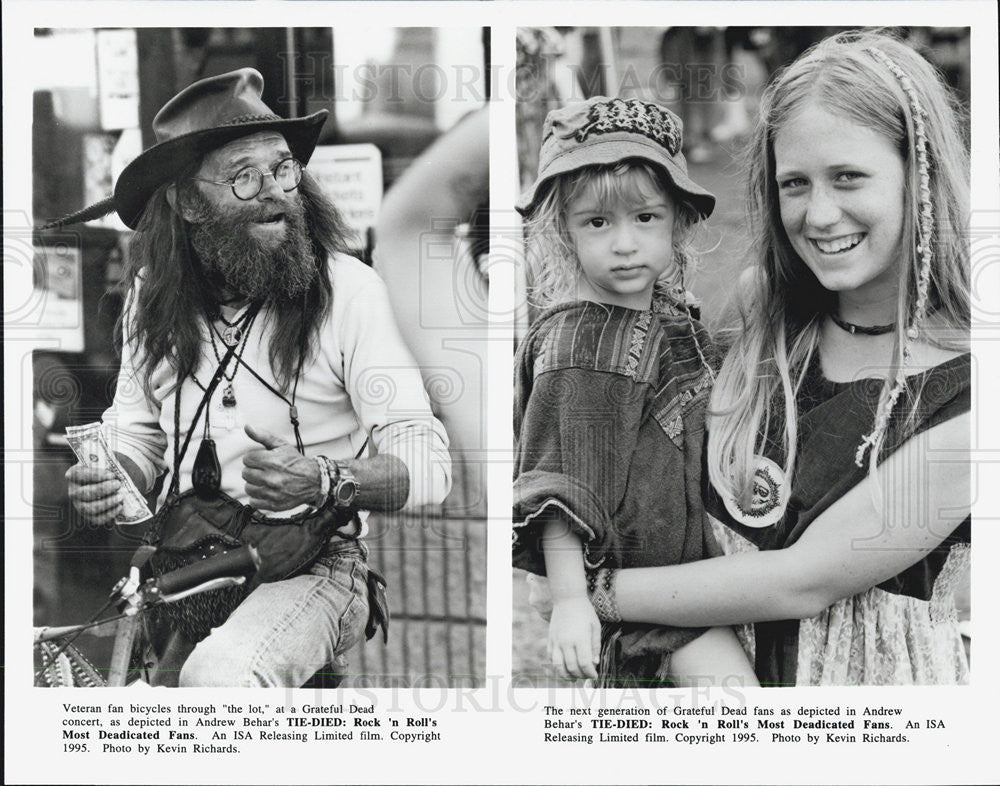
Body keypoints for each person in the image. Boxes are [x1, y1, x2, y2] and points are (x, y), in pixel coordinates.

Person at [532, 31, 971, 686]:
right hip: (685, 667)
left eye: (848, 177)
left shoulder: (966, 394)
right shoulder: (763, 315)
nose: (819, 214)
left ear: (922, 174)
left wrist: (585, 595)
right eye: (794, 183)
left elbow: (800, 582)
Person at [58, 68, 451, 687]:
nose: (275, 191)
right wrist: (117, 476)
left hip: (317, 567)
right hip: (189, 567)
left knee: (222, 678)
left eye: (283, 168)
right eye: (244, 175)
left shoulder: (348, 291)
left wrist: (328, 478)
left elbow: (428, 465)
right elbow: (136, 435)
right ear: (188, 202)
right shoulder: (152, 296)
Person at [514, 96, 758, 687]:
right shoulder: (584, 347)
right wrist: (572, 601)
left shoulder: (670, 315)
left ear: (676, 220)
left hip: (691, 587)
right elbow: (563, 485)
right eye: (597, 222)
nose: (624, 243)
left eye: (645, 218)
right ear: (563, 232)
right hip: (643, 604)